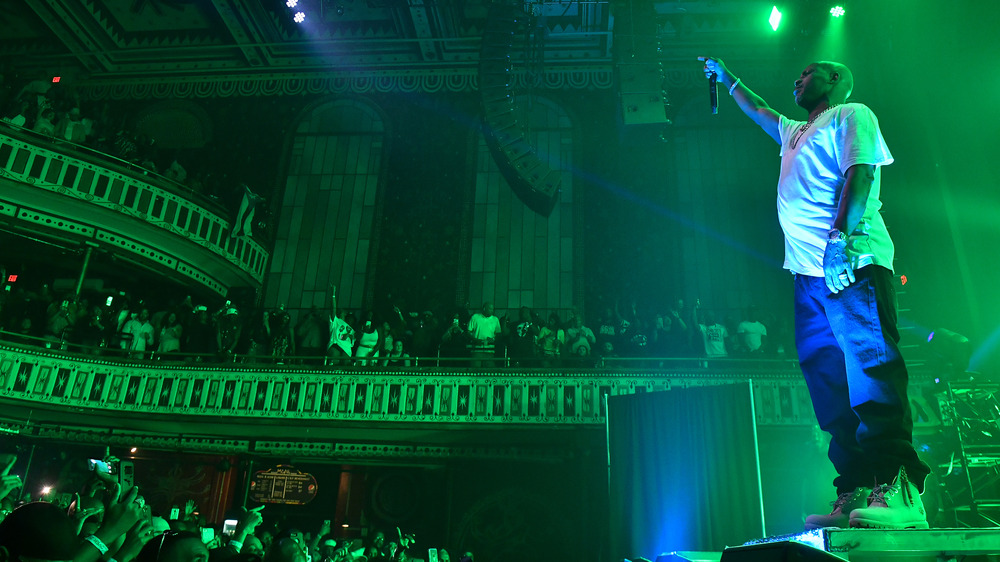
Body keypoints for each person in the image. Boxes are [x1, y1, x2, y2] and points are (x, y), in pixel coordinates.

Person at [698, 56, 929, 529]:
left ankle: (902, 489)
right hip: (807, 276)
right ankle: (857, 489)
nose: (797, 79)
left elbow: (859, 174)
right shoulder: (795, 131)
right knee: (828, 384)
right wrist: (728, 78)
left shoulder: (852, 114)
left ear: (836, 79)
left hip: (851, 260)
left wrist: (840, 241)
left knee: (871, 371)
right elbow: (759, 108)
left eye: (807, 72)